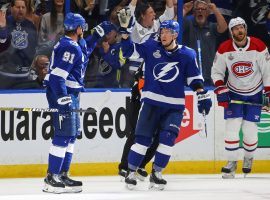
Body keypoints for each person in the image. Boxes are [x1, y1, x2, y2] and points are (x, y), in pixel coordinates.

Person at [118, 10, 212, 190]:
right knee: (143, 140)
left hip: (174, 106)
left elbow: (194, 79)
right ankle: (130, 172)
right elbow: (129, 51)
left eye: (167, 32)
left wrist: (201, 93)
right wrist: (124, 33)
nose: (163, 35)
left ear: (175, 34)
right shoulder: (151, 47)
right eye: (161, 32)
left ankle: (157, 173)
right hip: (151, 103)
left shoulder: (188, 55)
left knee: (168, 139)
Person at [43, 12, 115, 193]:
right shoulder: (70, 47)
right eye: (83, 27)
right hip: (63, 94)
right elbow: (57, 77)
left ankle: (63, 174)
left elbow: (85, 51)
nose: (84, 30)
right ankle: (52, 177)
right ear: (78, 28)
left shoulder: (73, 45)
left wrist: (96, 35)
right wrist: (62, 98)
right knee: (63, 135)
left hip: (71, 94)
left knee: (71, 135)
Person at [211, 17, 270, 179]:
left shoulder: (258, 46)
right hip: (233, 93)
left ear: (245, 29)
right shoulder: (224, 48)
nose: (239, 31)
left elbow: (267, 71)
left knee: (250, 130)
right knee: (232, 128)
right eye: (236, 28)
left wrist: (269, 91)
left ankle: (248, 158)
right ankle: (231, 164)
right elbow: (216, 71)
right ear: (231, 32)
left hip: (255, 92)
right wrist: (221, 88)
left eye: (241, 27)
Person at [182, 0, 227, 86]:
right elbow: (175, 26)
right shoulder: (188, 24)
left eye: (203, 9)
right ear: (194, 13)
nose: (200, 11)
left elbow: (223, 28)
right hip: (190, 76)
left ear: (207, 13)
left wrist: (215, 10)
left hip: (209, 76)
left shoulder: (212, 27)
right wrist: (184, 10)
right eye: (197, 9)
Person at [0, 0, 38, 89]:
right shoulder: (4, 23)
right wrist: (2, 29)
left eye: (23, 7)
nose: (21, 10)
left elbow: (33, 48)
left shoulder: (30, 25)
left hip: (24, 76)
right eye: (18, 7)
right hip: (5, 76)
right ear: (11, 8)